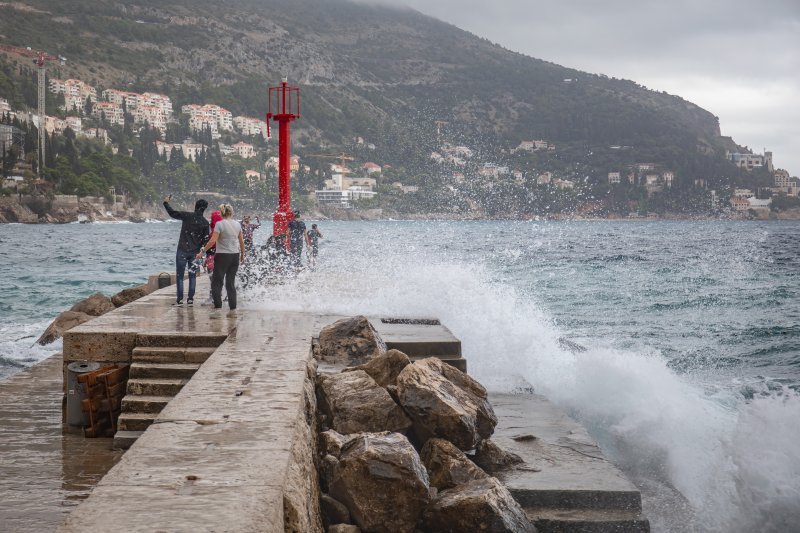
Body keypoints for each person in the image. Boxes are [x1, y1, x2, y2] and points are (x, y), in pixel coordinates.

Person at [163, 195, 209, 306]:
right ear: (204, 209)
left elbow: (172, 213)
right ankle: (190, 299)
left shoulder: (187, 216)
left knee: (180, 275)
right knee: (192, 275)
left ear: (195, 206)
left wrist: (166, 203)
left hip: (182, 250)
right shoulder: (205, 223)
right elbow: (206, 240)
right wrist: (202, 253)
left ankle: (179, 299)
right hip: (195, 253)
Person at [197, 204, 244, 310]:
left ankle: (218, 305)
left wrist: (202, 251)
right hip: (235, 256)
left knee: (217, 282)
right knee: (230, 283)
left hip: (222, 256)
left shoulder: (219, 224)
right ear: (231, 212)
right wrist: (242, 255)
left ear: (222, 213)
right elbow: (241, 241)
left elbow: (213, 240)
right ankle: (233, 307)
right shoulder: (237, 224)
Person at [203, 210, 222, 304]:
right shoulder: (224, 228)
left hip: (212, 256)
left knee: (213, 279)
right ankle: (217, 295)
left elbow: (209, 244)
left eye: (212, 217)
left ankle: (213, 297)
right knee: (218, 278)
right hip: (222, 256)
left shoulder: (212, 229)